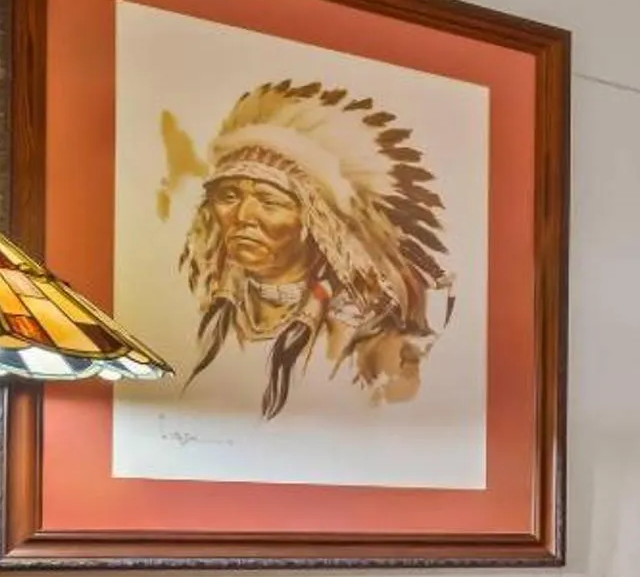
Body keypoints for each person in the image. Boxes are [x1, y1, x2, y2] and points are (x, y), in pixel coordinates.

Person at [178, 79, 451, 419]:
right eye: (228, 196)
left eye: (269, 200)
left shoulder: (361, 336)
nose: (243, 216)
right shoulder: (210, 312)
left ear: (315, 222)